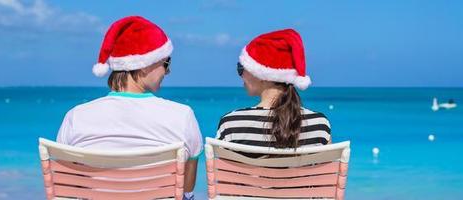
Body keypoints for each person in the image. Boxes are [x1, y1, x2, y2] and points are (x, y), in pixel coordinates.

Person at [55, 16, 201, 200]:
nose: (168, 71)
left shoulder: (76, 117)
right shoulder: (182, 116)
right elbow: (186, 188)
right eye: (166, 63)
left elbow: (65, 187)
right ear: (144, 66)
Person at [216, 29, 331, 158]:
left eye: (242, 68)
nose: (241, 75)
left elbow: (225, 174)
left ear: (261, 74)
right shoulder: (319, 125)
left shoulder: (231, 124)